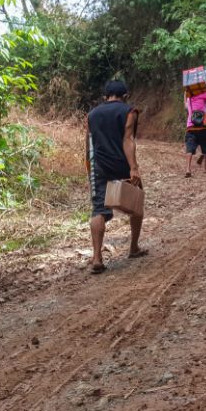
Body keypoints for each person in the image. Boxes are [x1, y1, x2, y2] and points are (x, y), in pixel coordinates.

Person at [85, 80, 147, 274]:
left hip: (100, 166)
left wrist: (90, 168)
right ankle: (134, 247)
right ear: (125, 96)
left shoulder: (91, 115)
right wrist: (133, 168)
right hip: (122, 165)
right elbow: (127, 139)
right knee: (136, 203)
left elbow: (89, 144)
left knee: (98, 210)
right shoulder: (129, 111)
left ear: (105, 97)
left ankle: (96, 257)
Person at [184, 72, 206, 177]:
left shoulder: (189, 99)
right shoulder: (202, 96)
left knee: (189, 148)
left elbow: (186, 107)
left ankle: (188, 169)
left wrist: (185, 94)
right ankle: (205, 168)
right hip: (202, 126)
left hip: (190, 126)